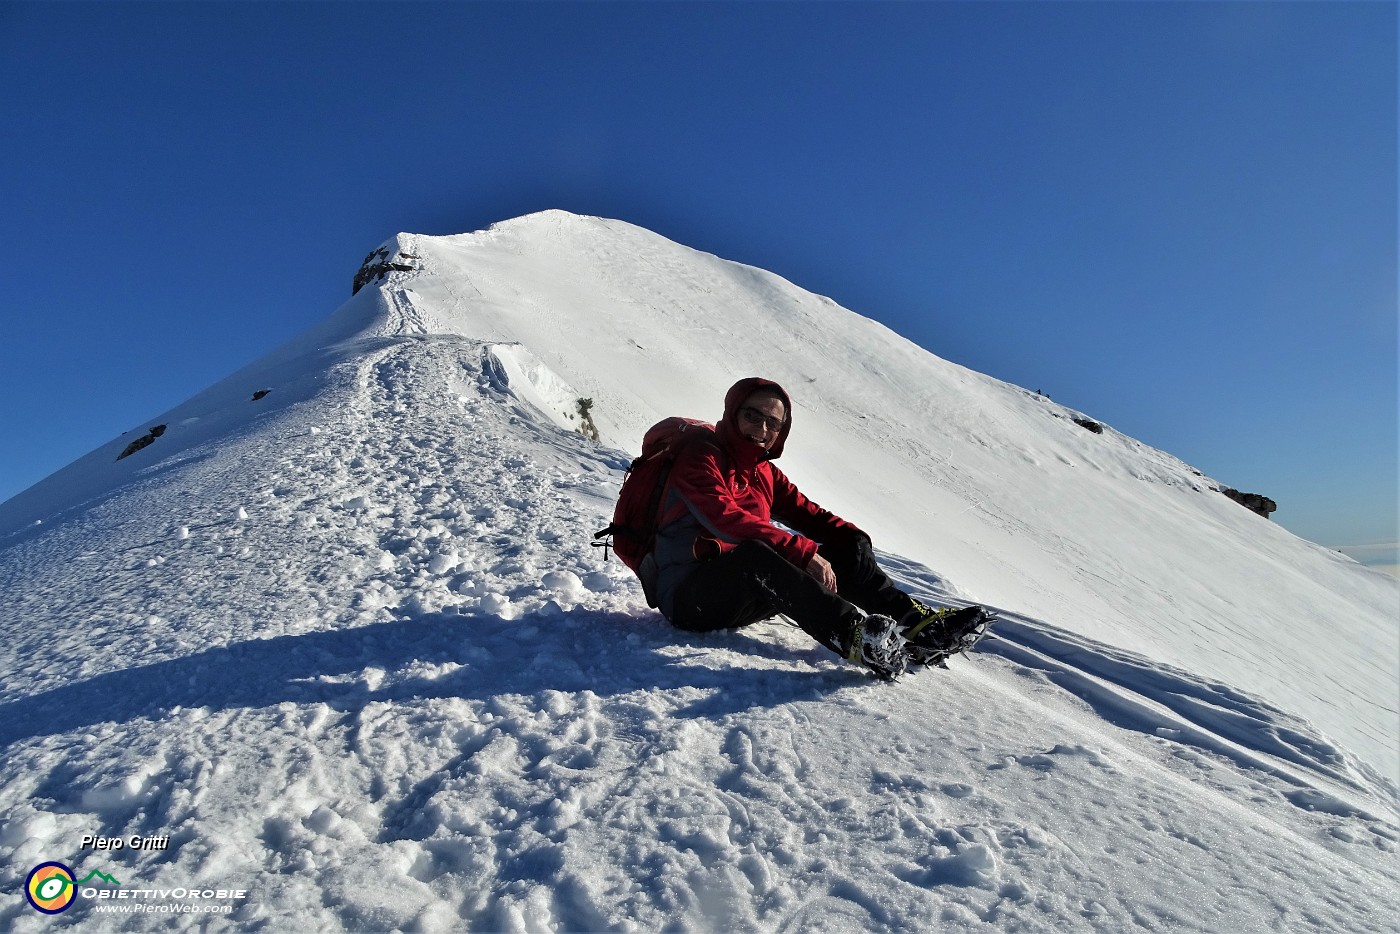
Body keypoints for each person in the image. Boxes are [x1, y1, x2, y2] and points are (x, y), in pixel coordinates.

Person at [650, 376, 989, 680]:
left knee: (840, 545)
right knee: (756, 554)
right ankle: (854, 637)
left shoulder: (763, 471)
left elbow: (807, 513)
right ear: (733, 411)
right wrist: (803, 552)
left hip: (745, 592)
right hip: (688, 598)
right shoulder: (701, 454)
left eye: (773, 422)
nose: (762, 428)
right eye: (753, 415)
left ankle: (917, 628)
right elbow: (724, 518)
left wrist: (851, 540)